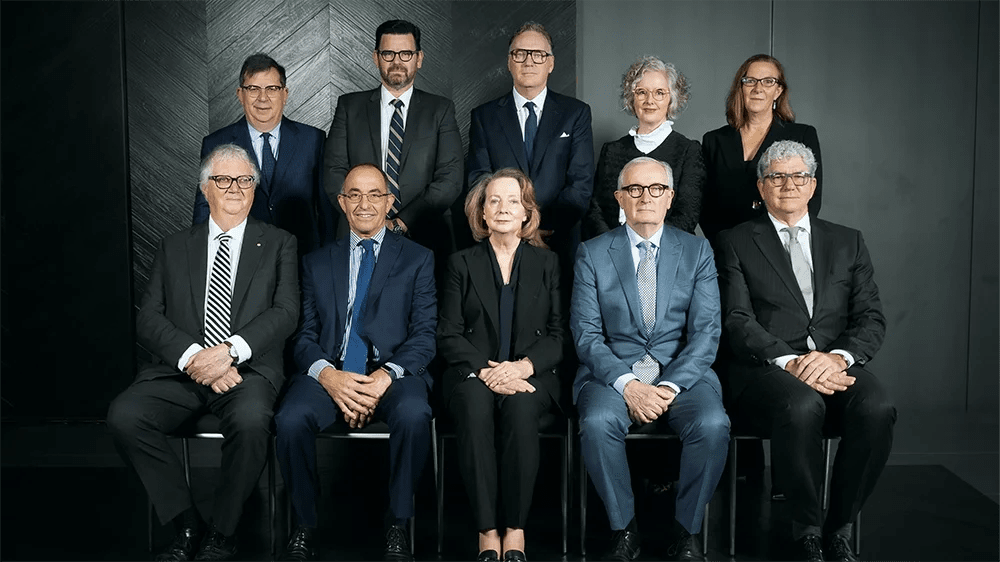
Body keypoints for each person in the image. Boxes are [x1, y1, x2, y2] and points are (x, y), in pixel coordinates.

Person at [108, 144, 300, 562]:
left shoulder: (281, 243)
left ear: (254, 188)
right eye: (223, 179)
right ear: (204, 189)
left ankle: (222, 532)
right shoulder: (174, 245)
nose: (235, 187)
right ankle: (187, 523)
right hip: (180, 372)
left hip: (246, 373)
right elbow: (149, 318)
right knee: (125, 416)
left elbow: (286, 313)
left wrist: (229, 353)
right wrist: (198, 358)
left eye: (245, 179)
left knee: (251, 423)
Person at [716, 141, 895, 562]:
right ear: (761, 187)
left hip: (834, 362)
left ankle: (840, 525)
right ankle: (807, 528)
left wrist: (836, 358)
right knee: (800, 405)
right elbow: (737, 319)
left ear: (812, 185)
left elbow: (870, 317)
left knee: (878, 406)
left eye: (798, 176)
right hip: (766, 368)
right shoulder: (735, 240)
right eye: (776, 176)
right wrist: (792, 361)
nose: (788, 184)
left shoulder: (847, 241)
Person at [275, 163, 437, 562]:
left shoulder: (418, 259)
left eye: (375, 195)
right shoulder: (316, 262)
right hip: (330, 371)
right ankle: (305, 525)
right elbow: (303, 337)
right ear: (342, 203)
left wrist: (384, 377)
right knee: (290, 419)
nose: (365, 203)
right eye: (355, 195)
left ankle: (398, 522)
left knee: (415, 414)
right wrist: (329, 376)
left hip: (392, 372)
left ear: (389, 203)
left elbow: (424, 335)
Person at [572, 156, 729, 562]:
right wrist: (629, 384)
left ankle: (687, 531)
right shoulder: (591, 253)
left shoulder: (696, 251)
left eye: (656, 189)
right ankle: (624, 529)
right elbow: (587, 334)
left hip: (683, 374)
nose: (646, 197)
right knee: (596, 420)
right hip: (613, 375)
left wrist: (669, 385)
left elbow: (707, 331)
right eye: (635, 189)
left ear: (670, 197)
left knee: (713, 424)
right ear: (619, 198)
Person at [438, 168, 564, 562]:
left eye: (513, 200)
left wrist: (523, 368)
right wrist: (488, 371)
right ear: (482, 213)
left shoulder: (549, 264)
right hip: (472, 374)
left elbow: (561, 335)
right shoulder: (460, 263)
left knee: (522, 408)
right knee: (475, 408)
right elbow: (448, 333)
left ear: (527, 213)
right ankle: (487, 531)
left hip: (533, 376)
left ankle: (516, 529)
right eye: (494, 200)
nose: (503, 208)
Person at [323, 19, 463, 279]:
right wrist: (369, 220)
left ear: (419, 58)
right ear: (376, 58)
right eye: (388, 53)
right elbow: (333, 173)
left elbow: (450, 178)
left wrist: (399, 223)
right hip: (358, 234)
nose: (396, 61)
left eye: (406, 53)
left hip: (426, 234)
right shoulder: (349, 107)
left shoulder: (441, 110)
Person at [466, 21, 594, 277]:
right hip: (501, 239)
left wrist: (537, 227)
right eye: (520, 53)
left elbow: (581, 184)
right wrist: (513, 227)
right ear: (509, 61)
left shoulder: (576, 113)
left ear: (551, 63)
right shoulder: (485, 116)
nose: (529, 61)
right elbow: (478, 180)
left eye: (538, 54)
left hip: (558, 240)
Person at [195, 53, 335, 255]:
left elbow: (327, 212)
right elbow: (204, 209)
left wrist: (327, 266)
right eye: (253, 89)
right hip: (240, 264)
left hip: (302, 262)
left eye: (272, 89)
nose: (263, 98)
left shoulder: (313, 140)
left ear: (285, 94)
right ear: (240, 94)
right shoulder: (216, 143)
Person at [701, 54, 822, 245]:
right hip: (727, 249)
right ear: (741, 87)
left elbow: (811, 198)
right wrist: (725, 243)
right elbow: (705, 205)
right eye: (750, 81)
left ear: (778, 90)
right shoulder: (714, 140)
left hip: (780, 247)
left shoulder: (802, 135)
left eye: (768, 82)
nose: (758, 88)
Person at [584, 56, 704, 239]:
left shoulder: (688, 151)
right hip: (612, 252)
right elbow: (597, 210)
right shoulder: (612, 151)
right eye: (641, 92)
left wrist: (647, 249)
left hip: (666, 255)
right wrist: (617, 248)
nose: (650, 100)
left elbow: (687, 216)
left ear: (671, 99)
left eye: (659, 93)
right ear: (631, 98)